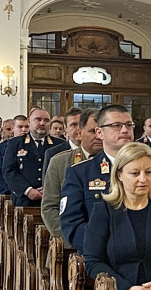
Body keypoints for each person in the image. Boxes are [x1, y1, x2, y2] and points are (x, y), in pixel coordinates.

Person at [83, 142, 151, 290]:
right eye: (135, 173)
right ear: (119, 175)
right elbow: (93, 261)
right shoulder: (103, 210)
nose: (143, 179)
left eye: (149, 172)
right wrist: (126, 288)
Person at [60, 105, 137, 253]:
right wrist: (109, 246)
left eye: (129, 125)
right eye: (116, 126)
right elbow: (72, 224)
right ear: (100, 132)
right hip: (99, 259)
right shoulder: (80, 173)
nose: (124, 130)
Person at [41, 109, 102, 242]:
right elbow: (50, 207)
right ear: (80, 132)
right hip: (69, 245)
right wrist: (73, 238)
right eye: (92, 131)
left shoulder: (117, 163)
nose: (98, 136)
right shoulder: (60, 162)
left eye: (101, 131)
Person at [3, 108, 64, 207]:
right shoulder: (15, 143)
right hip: (24, 201)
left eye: (46, 120)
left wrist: (51, 189)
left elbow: (66, 172)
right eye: (38, 119)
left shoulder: (60, 145)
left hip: (53, 201)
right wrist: (27, 190)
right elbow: (8, 171)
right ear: (29, 121)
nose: (42, 123)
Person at [42, 107, 82, 182]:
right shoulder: (53, 153)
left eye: (81, 124)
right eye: (74, 125)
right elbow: (48, 186)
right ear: (65, 129)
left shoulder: (96, 151)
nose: (78, 128)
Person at [0, 116, 24, 195]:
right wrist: (8, 190)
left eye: (13, 129)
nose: (11, 132)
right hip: (6, 192)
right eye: (8, 129)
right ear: (2, 131)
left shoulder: (27, 146)